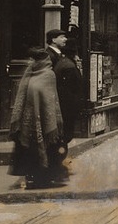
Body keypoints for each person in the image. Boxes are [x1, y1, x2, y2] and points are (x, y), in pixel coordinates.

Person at [8, 47, 64, 189]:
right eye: (31, 60)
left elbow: (50, 99)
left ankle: (43, 179)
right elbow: (22, 96)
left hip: (45, 121)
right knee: (30, 151)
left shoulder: (48, 75)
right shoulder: (29, 73)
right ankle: (32, 177)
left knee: (45, 149)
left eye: (34, 60)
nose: (31, 62)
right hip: (28, 121)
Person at [45, 29, 82, 179]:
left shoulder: (61, 57)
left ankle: (60, 165)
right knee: (60, 135)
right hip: (60, 103)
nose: (65, 39)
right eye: (62, 36)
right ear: (53, 39)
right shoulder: (51, 56)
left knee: (63, 135)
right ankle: (57, 167)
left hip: (62, 103)